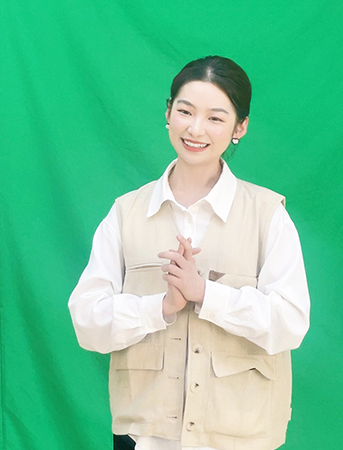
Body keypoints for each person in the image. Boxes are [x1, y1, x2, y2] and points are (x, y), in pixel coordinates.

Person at [68, 56, 310, 450]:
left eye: (215, 118)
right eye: (185, 111)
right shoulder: (126, 212)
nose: (196, 129)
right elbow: (87, 322)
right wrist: (160, 307)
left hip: (241, 439)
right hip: (143, 438)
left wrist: (206, 294)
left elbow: (291, 322)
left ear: (240, 127)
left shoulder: (268, 215)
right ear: (168, 113)